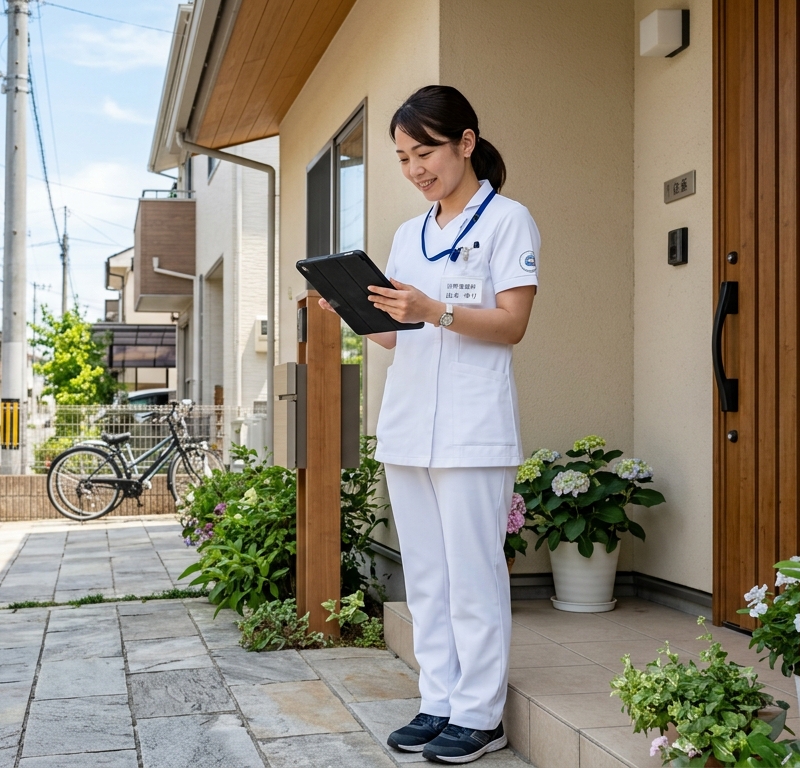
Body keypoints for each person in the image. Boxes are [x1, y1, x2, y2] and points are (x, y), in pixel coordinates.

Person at [321, 85, 537, 764]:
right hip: (410, 426)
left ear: (465, 143)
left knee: (473, 576)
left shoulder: (508, 220)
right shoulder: (407, 235)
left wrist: (433, 309)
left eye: (426, 152)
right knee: (425, 578)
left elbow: (512, 324)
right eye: (403, 157)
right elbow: (397, 333)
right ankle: (439, 700)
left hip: (473, 429)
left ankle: (480, 714)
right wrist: (350, 307)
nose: (415, 169)